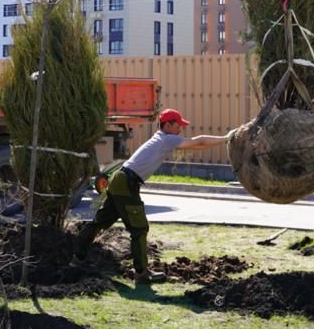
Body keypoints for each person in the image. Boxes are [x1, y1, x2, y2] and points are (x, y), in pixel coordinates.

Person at [73, 108, 231, 284]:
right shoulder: (166, 139)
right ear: (168, 125)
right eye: (178, 125)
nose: (180, 129)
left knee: (101, 221)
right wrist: (226, 138)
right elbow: (198, 142)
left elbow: (197, 144)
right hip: (126, 182)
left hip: (120, 180)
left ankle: (77, 256)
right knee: (139, 228)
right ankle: (142, 273)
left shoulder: (161, 138)